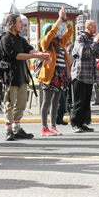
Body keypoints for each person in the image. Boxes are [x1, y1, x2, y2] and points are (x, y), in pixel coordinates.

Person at [1, 14, 50, 140]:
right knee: (10, 104)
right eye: (19, 22)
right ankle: (8, 130)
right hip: (11, 78)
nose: (22, 24)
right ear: (12, 24)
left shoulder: (20, 39)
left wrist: (41, 54)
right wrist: (38, 56)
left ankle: (17, 130)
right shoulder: (6, 39)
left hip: (22, 77)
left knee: (21, 104)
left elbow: (29, 49)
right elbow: (17, 55)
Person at [38, 7, 74, 135]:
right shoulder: (45, 43)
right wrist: (59, 19)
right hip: (50, 75)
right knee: (46, 101)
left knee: (56, 102)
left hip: (60, 74)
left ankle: (53, 126)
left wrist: (65, 20)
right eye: (54, 31)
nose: (57, 32)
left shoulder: (60, 43)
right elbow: (52, 30)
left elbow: (70, 31)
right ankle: (44, 127)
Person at [70, 19, 99, 133]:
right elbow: (83, 53)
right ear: (88, 27)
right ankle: (75, 123)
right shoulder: (81, 38)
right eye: (94, 27)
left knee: (86, 101)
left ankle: (83, 122)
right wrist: (94, 43)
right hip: (80, 74)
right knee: (79, 101)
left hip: (90, 75)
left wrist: (97, 43)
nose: (95, 29)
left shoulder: (93, 40)